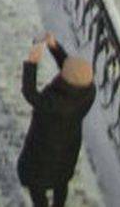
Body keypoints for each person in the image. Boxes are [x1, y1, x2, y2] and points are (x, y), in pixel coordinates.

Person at [16, 32, 96, 207]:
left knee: (36, 186)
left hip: (43, 155)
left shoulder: (54, 103)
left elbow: (30, 93)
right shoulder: (88, 93)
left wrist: (32, 63)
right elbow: (70, 70)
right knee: (61, 181)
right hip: (67, 152)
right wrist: (54, 47)